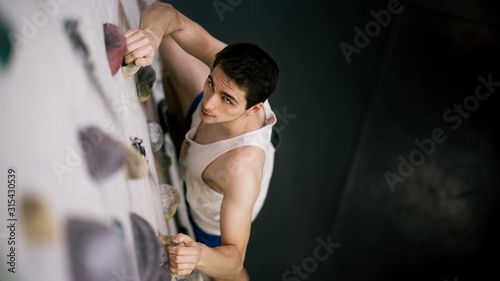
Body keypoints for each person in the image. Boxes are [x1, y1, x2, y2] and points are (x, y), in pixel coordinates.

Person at [124, 2, 279, 280]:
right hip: (209, 138)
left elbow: (234, 260)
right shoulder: (226, 74)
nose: (208, 103)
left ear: (254, 108)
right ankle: (182, 126)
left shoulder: (241, 169)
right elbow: (169, 15)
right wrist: (150, 35)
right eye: (211, 82)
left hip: (210, 215)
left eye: (226, 99)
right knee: (168, 44)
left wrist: (200, 254)